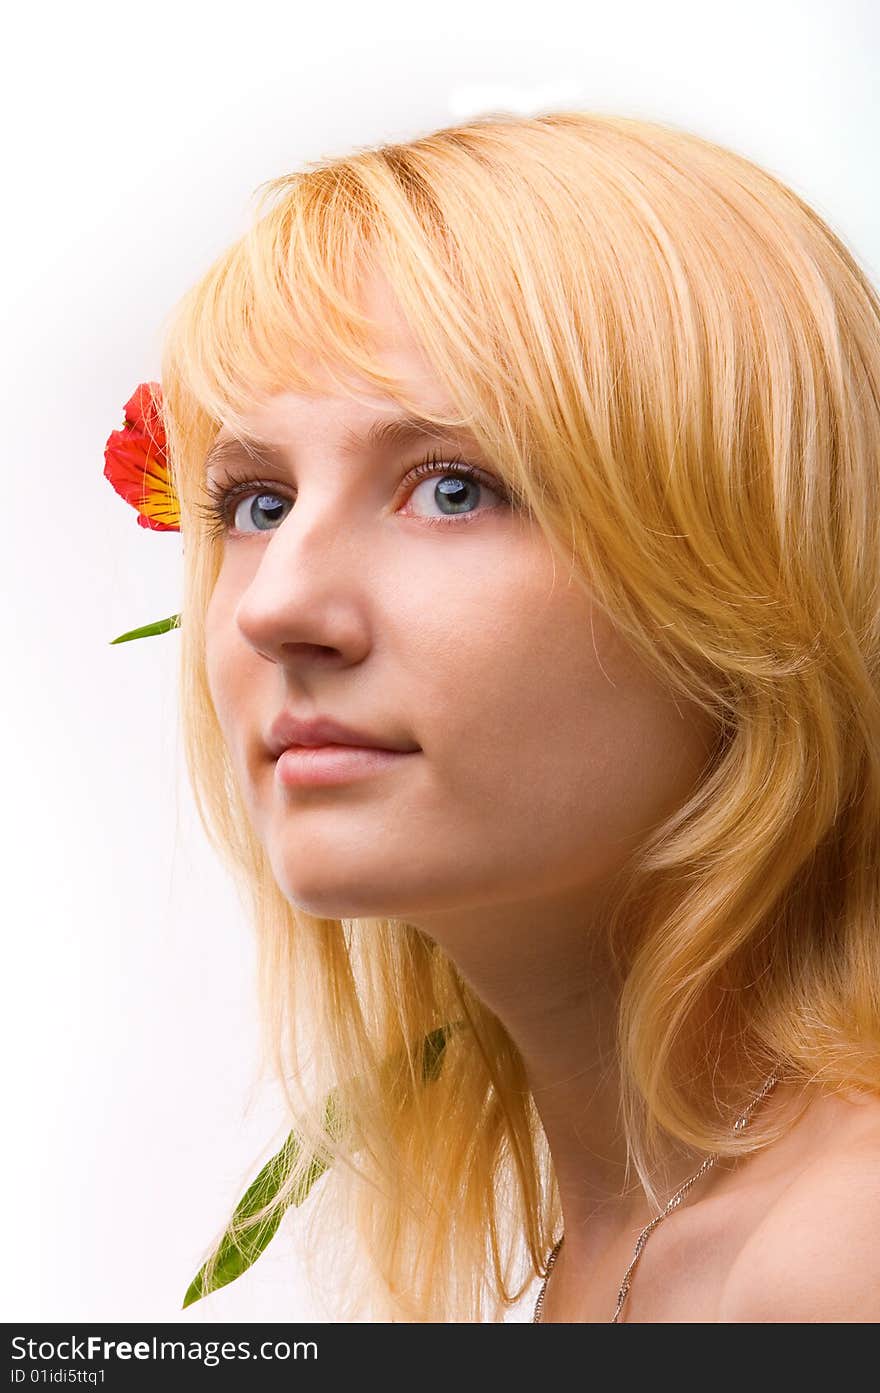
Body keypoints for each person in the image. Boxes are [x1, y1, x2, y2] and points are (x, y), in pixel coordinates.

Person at [153, 109, 880, 1321]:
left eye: (454, 486)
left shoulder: (833, 1260)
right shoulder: (626, 1235)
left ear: (758, 576)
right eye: (258, 501)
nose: (278, 607)